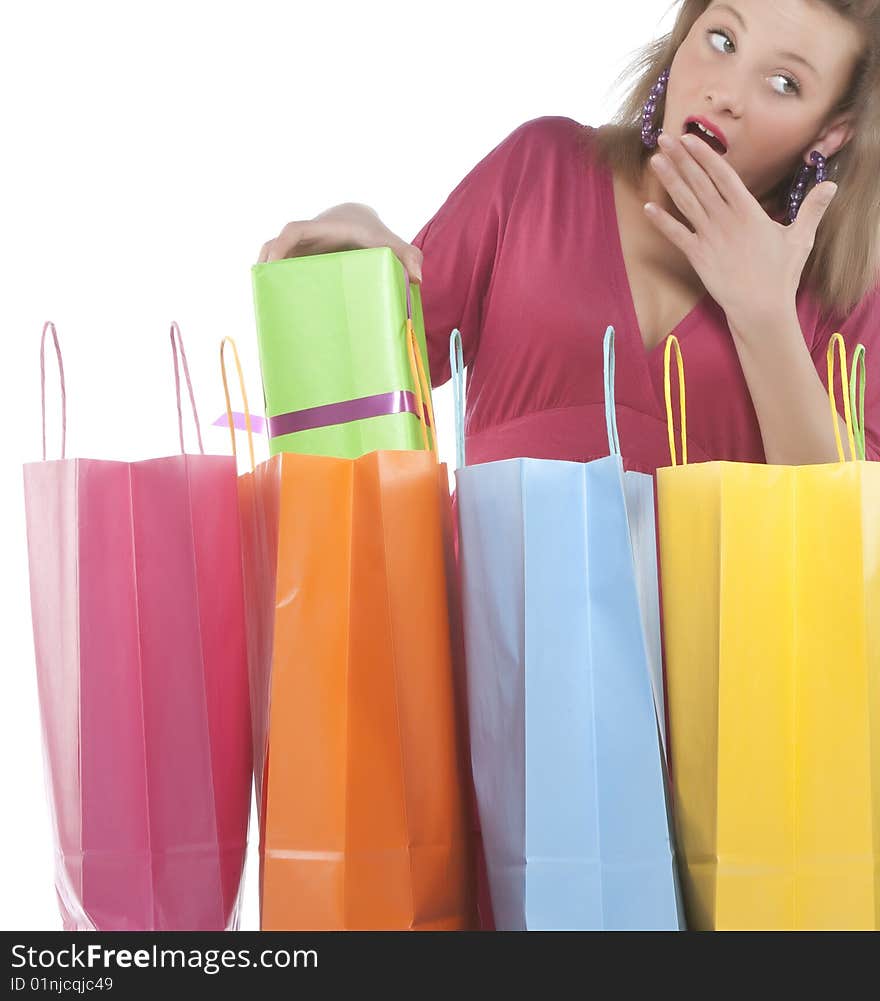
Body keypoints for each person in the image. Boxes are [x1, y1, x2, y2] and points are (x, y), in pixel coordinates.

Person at [258, 0, 879, 472]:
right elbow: (374, 375)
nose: (726, 93)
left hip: (730, 643)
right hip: (494, 632)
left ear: (831, 132)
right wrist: (353, 226)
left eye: (783, 83)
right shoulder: (541, 170)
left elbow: (851, 547)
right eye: (721, 40)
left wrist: (763, 315)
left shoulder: (846, 292)